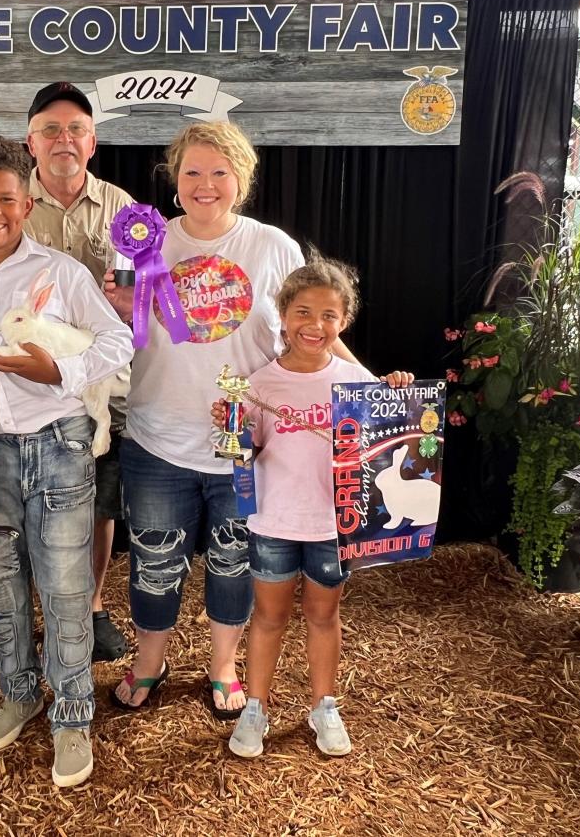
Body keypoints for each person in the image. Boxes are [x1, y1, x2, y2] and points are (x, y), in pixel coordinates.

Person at [104, 121, 362, 720]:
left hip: (247, 446)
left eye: (220, 171)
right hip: (157, 438)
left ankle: (223, 666)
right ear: (174, 178)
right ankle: (150, 661)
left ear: (241, 179)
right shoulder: (145, 245)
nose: (205, 183)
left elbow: (314, 332)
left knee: (234, 561)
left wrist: (374, 391)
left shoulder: (273, 247)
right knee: (155, 559)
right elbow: (118, 327)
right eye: (192, 171)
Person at [0, 136, 133, 788]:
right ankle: (18, 692)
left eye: (7, 200)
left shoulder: (62, 273)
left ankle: (71, 716)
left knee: (67, 588)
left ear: (28, 202)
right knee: (0, 579)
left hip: (58, 443)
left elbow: (119, 340)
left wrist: (60, 370)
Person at [0, 81, 135, 663]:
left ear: (92, 141)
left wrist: (136, 300)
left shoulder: (125, 209)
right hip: (12, 403)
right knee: (7, 515)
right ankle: (15, 619)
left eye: (75, 129)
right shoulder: (2, 204)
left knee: (94, 504)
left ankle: (89, 608)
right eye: (50, 129)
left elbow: (145, 305)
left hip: (97, 387)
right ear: (32, 142)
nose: (63, 139)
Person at [205, 255, 413, 759]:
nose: (314, 325)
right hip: (274, 521)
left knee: (324, 616)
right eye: (302, 312)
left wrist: (400, 394)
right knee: (269, 617)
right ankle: (255, 708)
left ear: (343, 322)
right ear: (282, 316)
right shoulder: (259, 383)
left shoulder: (356, 381)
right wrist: (230, 427)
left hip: (332, 525)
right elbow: (244, 453)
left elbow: (395, 436)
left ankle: (324, 705)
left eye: (327, 316)